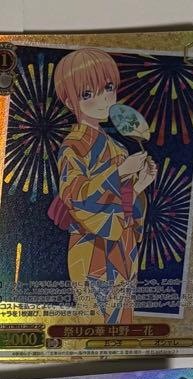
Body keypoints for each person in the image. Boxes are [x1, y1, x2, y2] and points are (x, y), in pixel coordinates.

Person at [49, 48, 157, 323]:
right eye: (88, 94)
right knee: (96, 324)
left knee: (122, 323)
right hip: (90, 247)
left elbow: (124, 203)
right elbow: (75, 197)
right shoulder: (72, 147)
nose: (104, 99)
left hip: (123, 245)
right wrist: (120, 172)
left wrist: (139, 186)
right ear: (69, 101)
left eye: (108, 88)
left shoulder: (118, 147)